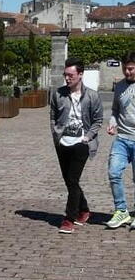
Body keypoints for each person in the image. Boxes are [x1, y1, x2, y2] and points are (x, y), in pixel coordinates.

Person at [50, 57, 103, 234]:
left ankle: (69, 218)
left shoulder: (92, 96)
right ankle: (84, 210)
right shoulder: (58, 94)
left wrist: (87, 137)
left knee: (72, 179)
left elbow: (98, 120)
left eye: (70, 75)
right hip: (63, 142)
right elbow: (53, 116)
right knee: (69, 180)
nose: (67, 78)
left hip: (82, 143)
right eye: (65, 75)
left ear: (80, 75)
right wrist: (56, 135)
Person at [106, 51, 135, 229]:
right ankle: (122, 211)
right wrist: (112, 123)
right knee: (114, 172)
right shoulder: (119, 87)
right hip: (122, 138)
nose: (127, 72)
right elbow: (115, 111)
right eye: (125, 69)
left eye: (131, 69)